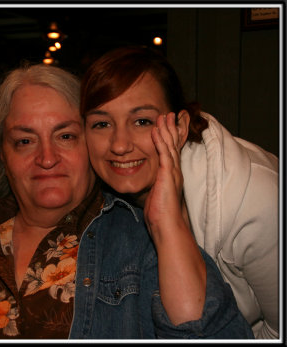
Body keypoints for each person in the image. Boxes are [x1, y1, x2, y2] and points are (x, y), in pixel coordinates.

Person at [0, 63, 253, 339]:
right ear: (2, 154)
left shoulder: (143, 246)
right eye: (24, 141)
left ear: (90, 145)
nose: (47, 157)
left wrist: (166, 223)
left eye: (65, 135)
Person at [79, 46, 279, 339]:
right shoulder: (96, 201)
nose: (119, 144)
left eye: (142, 121)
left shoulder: (256, 201)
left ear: (180, 126)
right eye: (102, 124)